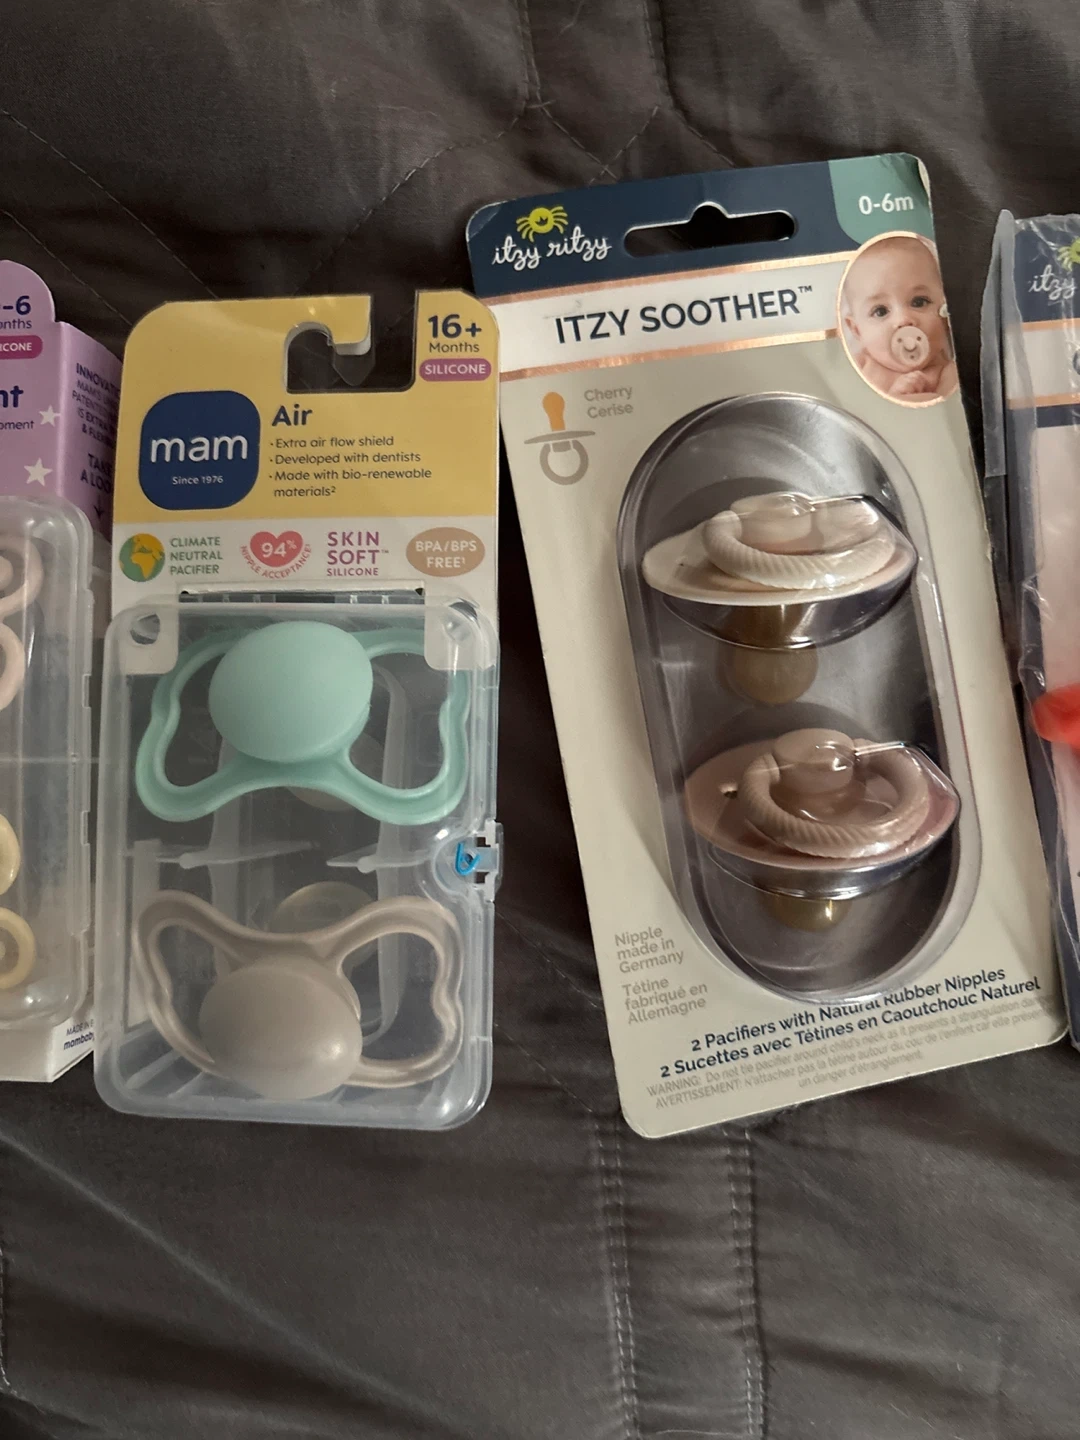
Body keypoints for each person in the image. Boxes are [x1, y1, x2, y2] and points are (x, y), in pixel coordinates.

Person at [841, 235, 958, 401]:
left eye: (919, 302)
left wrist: (906, 397)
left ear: (946, 312)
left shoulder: (949, 373)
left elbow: (944, 410)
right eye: (880, 311)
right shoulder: (859, 366)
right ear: (857, 330)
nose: (903, 320)